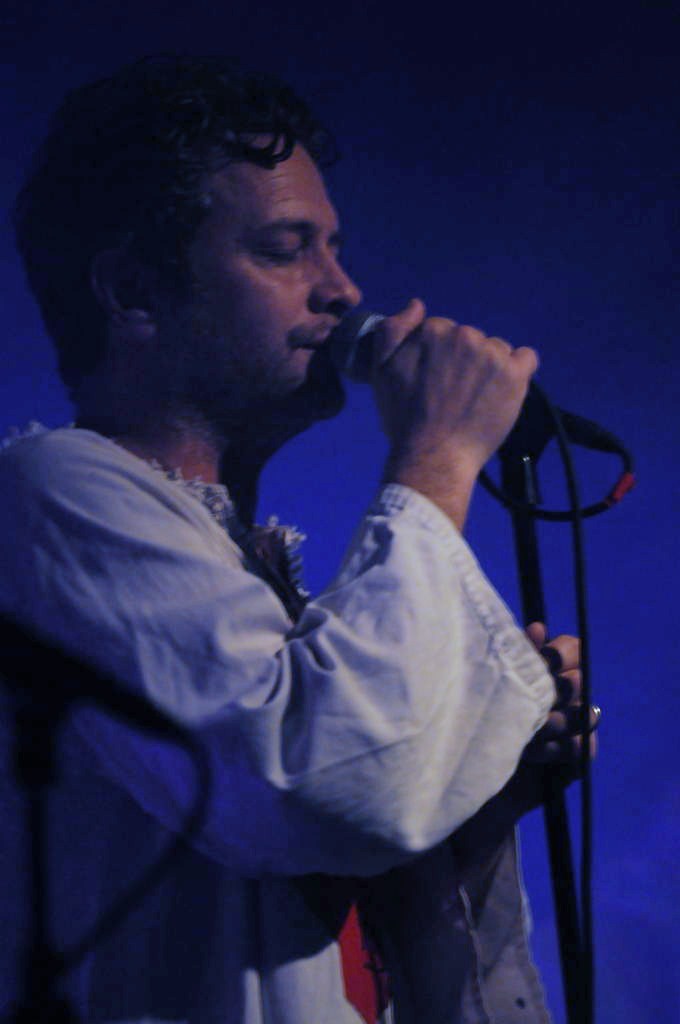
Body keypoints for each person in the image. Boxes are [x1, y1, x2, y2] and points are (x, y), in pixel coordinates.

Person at [0, 56, 595, 1023]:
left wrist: (479, 787)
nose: (343, 290)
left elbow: (335, 874)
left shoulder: (246, 569)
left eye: (335, 248)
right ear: (133, 290)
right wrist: (439, 454)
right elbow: (311, 792)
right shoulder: (48, 490)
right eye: (286, 250)